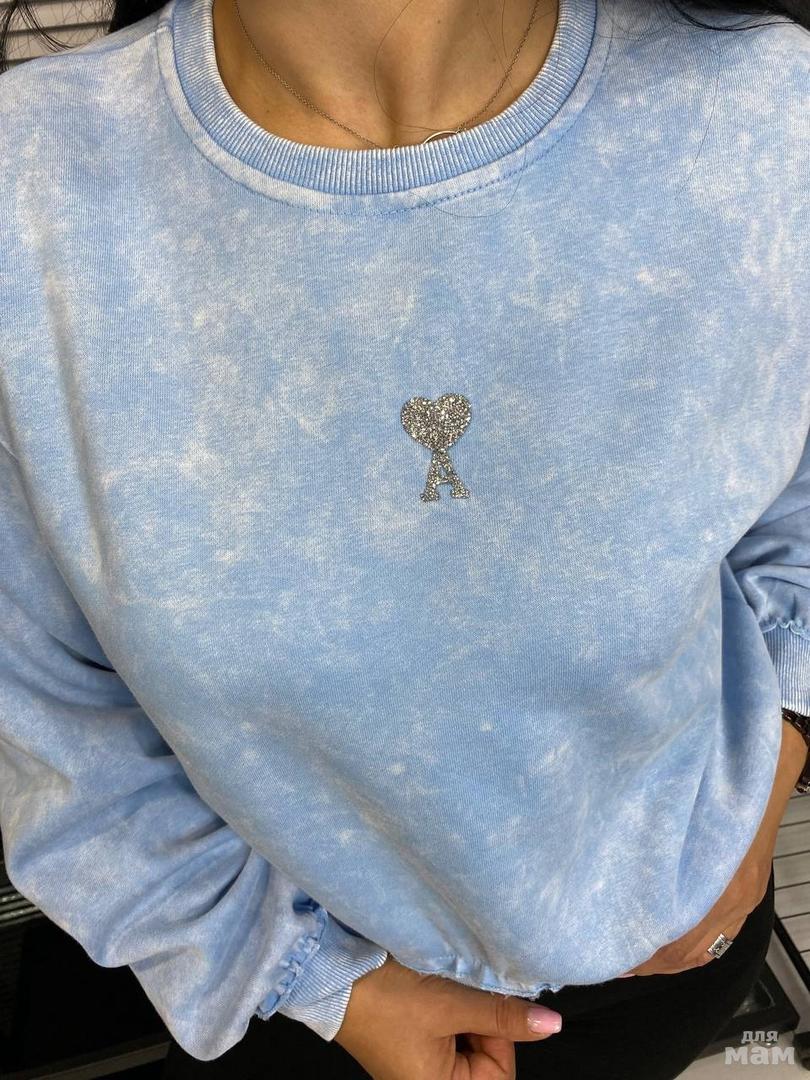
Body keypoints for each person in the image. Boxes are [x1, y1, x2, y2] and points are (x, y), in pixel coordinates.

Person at [0, 0, 808, 1076]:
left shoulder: (764, 113)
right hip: (328, 1005)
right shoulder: (29, 191)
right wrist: (317, 982)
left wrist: (779, 763)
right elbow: (48, 724)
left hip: (685, 947)